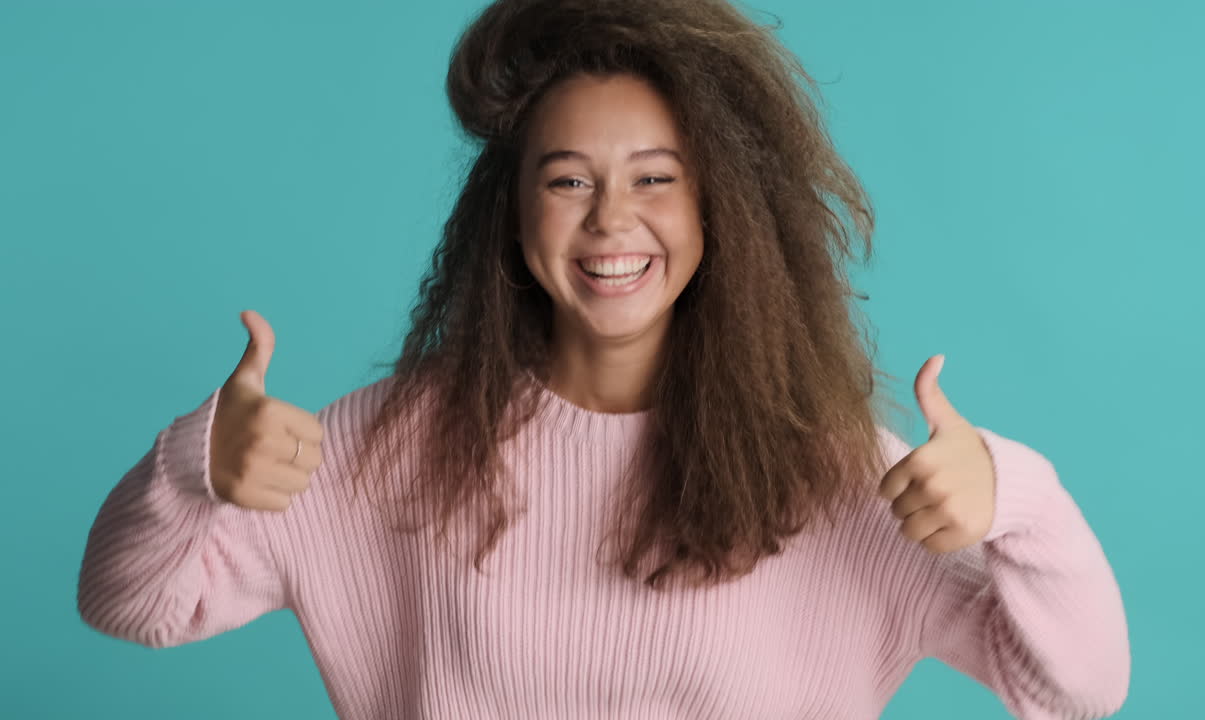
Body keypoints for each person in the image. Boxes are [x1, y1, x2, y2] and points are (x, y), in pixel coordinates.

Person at [77, 0, 1131, 717]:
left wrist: (1018, 504)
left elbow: (1074, 690)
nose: (610, 222)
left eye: (656, 179)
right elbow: (132, 605)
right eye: (568, 180)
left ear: (718, 208)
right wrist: (193, 467)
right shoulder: (378, 449)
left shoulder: (832, 470)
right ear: (512, 210)